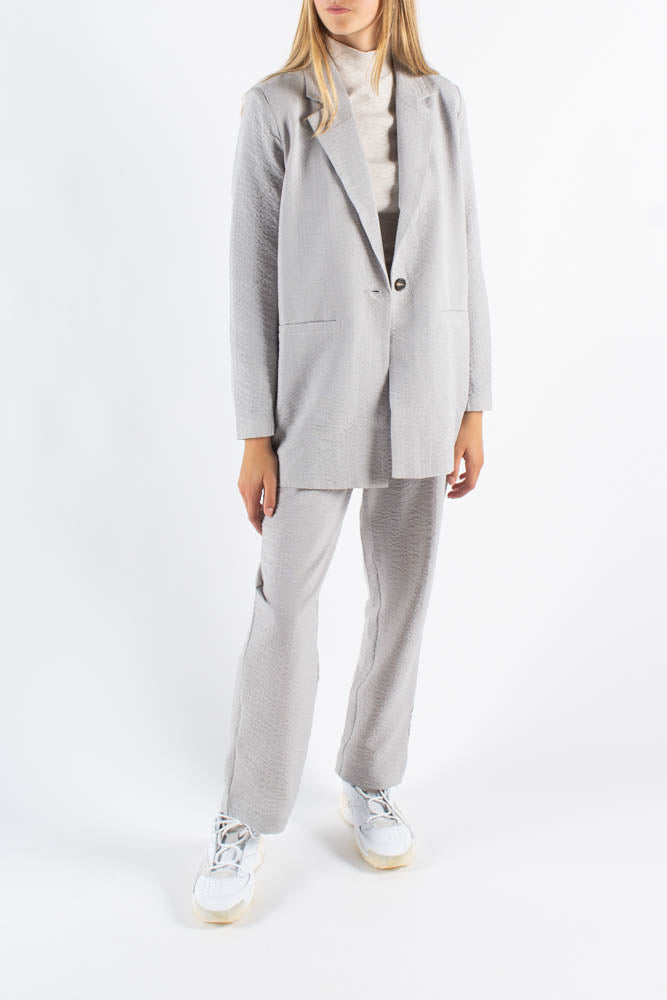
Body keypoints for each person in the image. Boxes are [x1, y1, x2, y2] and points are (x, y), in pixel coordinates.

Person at [192, 0, 492, 924]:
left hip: (426, 380)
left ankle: (369, 776)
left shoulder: (441, 103)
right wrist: (255, 430)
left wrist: (473, 401)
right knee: (285, 601)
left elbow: (466, 254)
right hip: (316, 393)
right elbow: (251, 274)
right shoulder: (274, 107)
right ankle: (246, 815)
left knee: (403, 595)